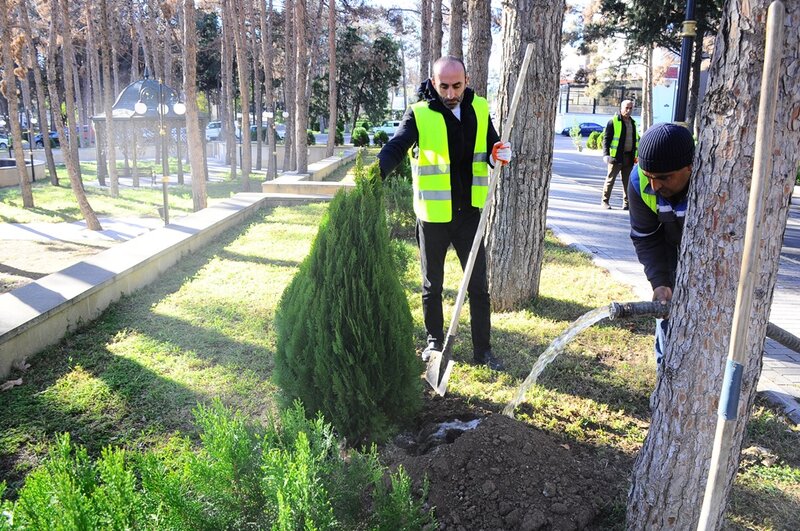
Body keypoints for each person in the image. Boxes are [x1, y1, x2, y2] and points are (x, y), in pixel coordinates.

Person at [377, 56, 511, 371]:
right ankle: (434, 343)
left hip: (469, 215)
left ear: (466, 81)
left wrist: (499, 153)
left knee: (478, 286)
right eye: (444, 86)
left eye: (457, 86)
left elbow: (491, 147)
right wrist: (375, 173)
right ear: (434, 83)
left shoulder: (479, 108)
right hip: (433, 216)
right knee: (431, 285)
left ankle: (483, 351)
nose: (451, 94)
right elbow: (397, 147)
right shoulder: (419, 114)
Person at [627, 122, 695, 365]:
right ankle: (665, 378)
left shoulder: (712, 181)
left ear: (689, 168)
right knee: (668, 319)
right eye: (650, 177)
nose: (655, 186)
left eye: (664, 178)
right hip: (671, 252)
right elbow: (645, 238)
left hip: (714, 262)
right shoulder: (639, 182)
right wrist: (660, 283)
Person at [601, 100, 639, 210]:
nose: (628, 110)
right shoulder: (613, 121)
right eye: (626, 108)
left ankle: (627, 204)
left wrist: (637, 155)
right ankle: (605, 201)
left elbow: (636, 140)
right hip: (615, 157)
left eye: (631, 108)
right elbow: (606, 139)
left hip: (629, 157)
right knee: (610, 180)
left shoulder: (633, 123)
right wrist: (606, 154)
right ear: (621, 108)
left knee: (627, 181)